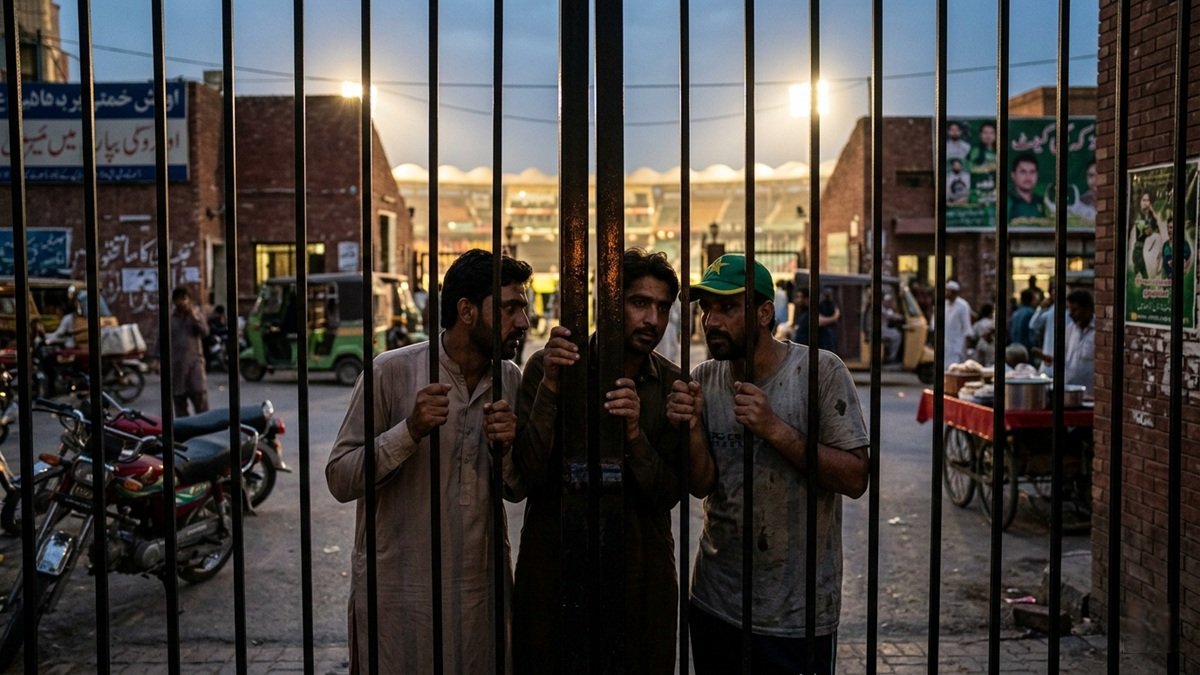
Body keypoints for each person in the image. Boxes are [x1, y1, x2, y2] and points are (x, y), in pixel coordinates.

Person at [325, 249, 531, 675]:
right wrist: (409, 431)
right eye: (510, 308)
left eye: (523, 309)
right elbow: (340, 478)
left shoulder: (509, 379)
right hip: (400, 595)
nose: (523, 322)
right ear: (466, 311)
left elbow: (516, 488)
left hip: (479, 594)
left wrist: (507, 447)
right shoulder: (390, 373)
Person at [665, 254, 869, 675]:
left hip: (796, 615)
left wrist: (774, 428)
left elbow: (855, 477)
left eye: (727, 308)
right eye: (707, 308)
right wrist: (689, 430)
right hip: (716, 602)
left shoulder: (819, 371)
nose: (711, 321)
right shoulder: (705, 378)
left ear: (763, 313)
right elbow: (703, 485)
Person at [511, 248, 685, 675]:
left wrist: (633, 435)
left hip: (641, 578)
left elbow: (670, 491)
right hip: (557, 571)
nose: (653, 320)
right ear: (609, 302)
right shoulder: (550, 367)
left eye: (662, 308)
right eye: (639, 303)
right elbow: (523, 477)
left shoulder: (672, 383)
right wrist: (552, 387)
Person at [161, 287, 210, 417]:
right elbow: (161, 340)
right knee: (179, 401)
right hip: (176, 366)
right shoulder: (170, 319)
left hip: (195, 364)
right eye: (178, 299)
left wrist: (193, 316)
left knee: (200, 399)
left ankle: (206, 431)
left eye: (184, 298)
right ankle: (185, 434)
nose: (181, 302)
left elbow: (205, 332)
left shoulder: (195, 315)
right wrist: (156, 360)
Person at [1064, 289, 1096, 396]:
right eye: (1070, 310)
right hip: (1070, 391)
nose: (1071, 314)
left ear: (1088, 309)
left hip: (1091, 394)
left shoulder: (1099, 332)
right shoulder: (1070, 329)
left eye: (1075, 310)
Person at [791, 287, 839, 352]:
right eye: (797, 297)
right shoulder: (802, 312)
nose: (799, 300)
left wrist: (835, 316)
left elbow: (820, 321)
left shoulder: (813, 311)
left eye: (801, 297)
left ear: (807, 299)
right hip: (802, 350)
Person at [938, 280, 973, 366]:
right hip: (944, 343)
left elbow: (966, 326)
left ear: (954, 292)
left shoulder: (963, 306)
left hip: (956, 345)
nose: (946, 293)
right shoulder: (943, 304)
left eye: (948, 291)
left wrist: (965, 346)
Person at [1129, 191, 1161, 280]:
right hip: (1139, 252)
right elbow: (1148, 232)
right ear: (1140, 202)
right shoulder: (1139, 216)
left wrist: (1152, 211)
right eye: (1143, 200)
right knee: (1143, 278)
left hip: (1148, 251)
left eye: (1147, 200)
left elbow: (1159, 222)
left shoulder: (1149, 217)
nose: (1145, 203)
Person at [1008, 153, 1046, 220]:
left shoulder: (1044, 203)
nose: (1028, 177)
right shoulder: (1006, 201)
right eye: (1023, 172)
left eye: (1032, 172)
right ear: (1013, 175)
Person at [968, 302, 996, 368]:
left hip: (980, 344)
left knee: (980, 364)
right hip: (991, 345)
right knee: (990, 364)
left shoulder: (978, 323)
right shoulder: (993, 322)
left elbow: (973, 336)